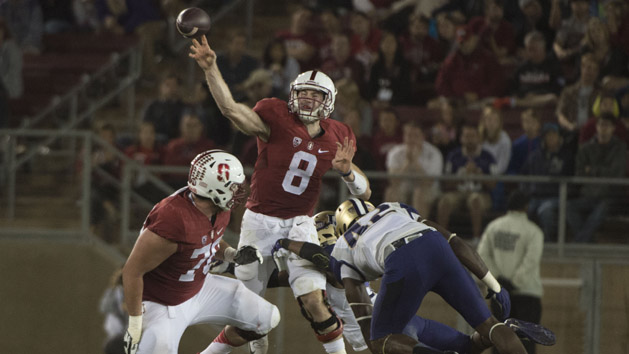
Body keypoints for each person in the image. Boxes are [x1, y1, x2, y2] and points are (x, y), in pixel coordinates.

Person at [189, 35, 372, 354]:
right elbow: (232, 110)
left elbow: (364, 190)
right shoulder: (274, 117)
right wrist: (211, 69)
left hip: (301, 224)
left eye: (316, 96)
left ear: (329, 102)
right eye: (303, 93)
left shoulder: (339, 135)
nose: (307, 100)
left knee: (314, 301)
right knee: (249, 315)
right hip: (259, 220)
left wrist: (347, 170)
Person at [273, 201, 555, 354]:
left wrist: (287, 244)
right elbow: (455, 242)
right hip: (434, 251)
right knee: (483, 334)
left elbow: (321, 262)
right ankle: (507, 329)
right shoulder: (394, 208)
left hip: (404, 319)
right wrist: (493, 284)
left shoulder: (343, 252)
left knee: (380, 340)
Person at [121, 150, 280, 354]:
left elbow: (206, 237)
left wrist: (232, 254)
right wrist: (135, 323)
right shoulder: (173, 219)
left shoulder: (217, 208)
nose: (239, 191)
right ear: (216, 188)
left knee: (265, 318)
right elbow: (132, 272)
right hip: (163, 304)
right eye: (233, 186)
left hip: (200, 288)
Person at [478, 190, 544, 354]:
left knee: (500, 343)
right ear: (526, 207)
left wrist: (498, 282)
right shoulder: (533, 231)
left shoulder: (493, 227)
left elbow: (482, 256)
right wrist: (514, 282)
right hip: (526, 296)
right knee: (525, 346)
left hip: (499, 296)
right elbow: (530, 261)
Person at [566, 113, 627, 243]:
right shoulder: (586, 148)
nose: (603, 128)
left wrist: (592, 170)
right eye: (600, 125)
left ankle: (580, 241)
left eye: (606, 125)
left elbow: (616, 173)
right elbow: (580, 172)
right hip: (588, 194)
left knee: (601, 209)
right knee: (568, 206)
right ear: (596, 127)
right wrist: (601, 171)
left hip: (611, 196)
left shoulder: (620, 148)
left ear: (613, 128)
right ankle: (588, 241)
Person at [437, 122, 497, 238]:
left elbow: (493, 184)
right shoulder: (453, 156)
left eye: (472, 136)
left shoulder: (488, 157)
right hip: (457, 192)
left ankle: (476, 238)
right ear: (461, 138)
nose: (469, 140)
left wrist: (478, 175)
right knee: (444, 201)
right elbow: (446, 183)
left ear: (479, 138)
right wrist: (462, 176)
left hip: (481, 193)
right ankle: (441, 238)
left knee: (475, 200)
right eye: (466, 136)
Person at [385, 121, 443, 217]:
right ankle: (393, 229)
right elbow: (393, 181)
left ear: (422, 137)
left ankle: (418, 230)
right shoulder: (395, 152)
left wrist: (416, 163)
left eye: (415, 136)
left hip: (428, 189)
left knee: (419, 193)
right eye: (408, 135)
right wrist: (407, 164)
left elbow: (429, 182)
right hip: (404, 188)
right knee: (392, 192)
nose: (411, 139)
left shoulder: (434, 153)